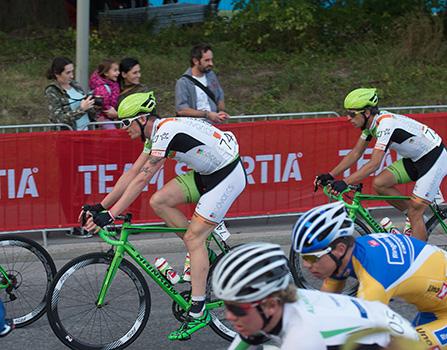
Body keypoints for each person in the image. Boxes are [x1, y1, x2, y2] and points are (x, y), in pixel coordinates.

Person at [81, 92, 247, 341]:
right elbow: (133, 172)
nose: (123, 129)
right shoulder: (157, 132)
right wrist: (100, 207)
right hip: (208, 173)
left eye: (126, 123)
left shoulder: (165, 132)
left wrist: (111, 215)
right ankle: (202, 253)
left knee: (193, 239)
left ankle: (199, 310)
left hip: (226, 177)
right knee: (159, 201)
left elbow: (142, 179)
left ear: (142, 119)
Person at [291, 201, 447, 349]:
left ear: (339, 249)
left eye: (311, 257)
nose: (306, 265)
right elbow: (323, 305)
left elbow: (364, 335)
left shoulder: (375, 279)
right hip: (433, 308)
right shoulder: (352, 252)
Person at [211, 242, 420, 350]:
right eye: (228, 305)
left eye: (238, 308)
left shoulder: (302, 336)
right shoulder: (273, 308)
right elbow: (245, 341)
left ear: (271, 305)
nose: (229, 316)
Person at [314, 88, 447, 241]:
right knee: (380, 183)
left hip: (434, 158)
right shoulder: (370, 126)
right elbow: (356, 153)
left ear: (367, 113)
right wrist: (330, 175)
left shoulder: (385, 125)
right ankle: (413, 220)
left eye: (352, 114)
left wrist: (345, 182)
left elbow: (374, 164)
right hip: (416, 158)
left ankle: (420, 259)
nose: (347, 118)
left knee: (416, 211)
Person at [175, 43, 229, 123]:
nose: (211, 64)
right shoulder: (183, 83)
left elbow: (219, 96)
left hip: (214, 126)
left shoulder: (211, 76)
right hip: (194, 127)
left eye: (211, 59)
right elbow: (181, 109)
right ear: (195, 61)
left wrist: (221, 111)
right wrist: (207, 114)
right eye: (207, 60)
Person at [45, 56, 96, 131]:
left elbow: (89, 111)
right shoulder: (52, 90)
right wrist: (81, 110)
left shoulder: (75, 85)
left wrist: (93, 105)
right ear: (57, 74)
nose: (72, 76)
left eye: (72, 71)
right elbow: (58, 119)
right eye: (68, 73)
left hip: (87, 131)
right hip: (69, 135)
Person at [88, 59, 121, 130]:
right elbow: (103, 102)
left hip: (108, 117)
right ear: (106, 73)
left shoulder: (113, 85)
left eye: (118, 70)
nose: (118, 73)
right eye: (115, 70)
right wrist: (110, 110)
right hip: (103, 117)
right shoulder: (102, 87)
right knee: (112, 133)